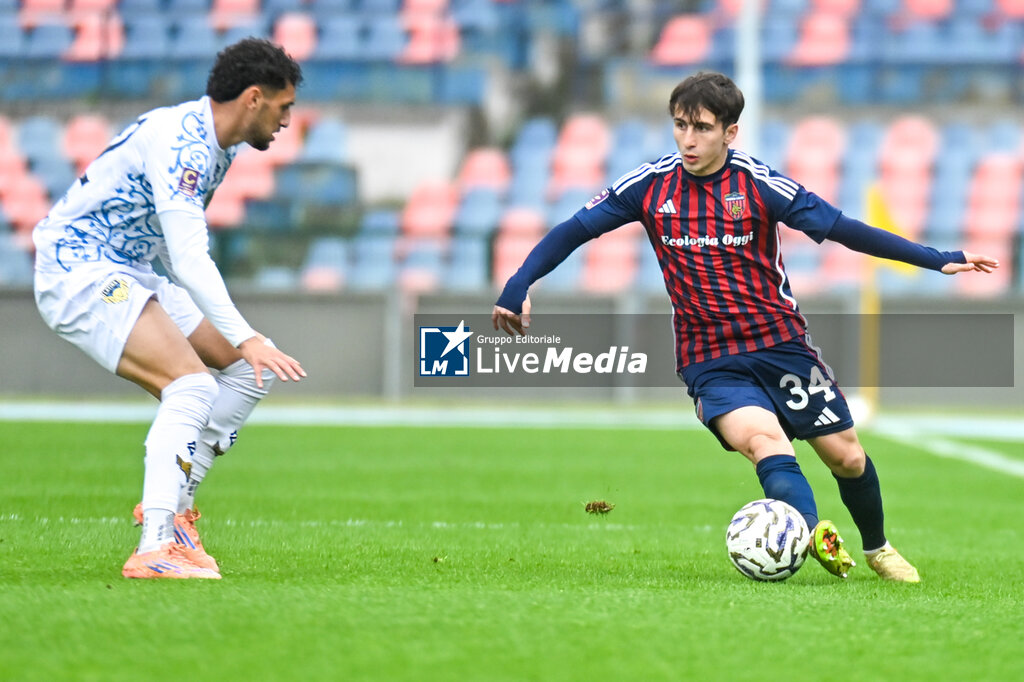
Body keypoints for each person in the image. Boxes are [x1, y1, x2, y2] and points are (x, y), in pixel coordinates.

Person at [492, 72, 999, 582]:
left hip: (781, 344)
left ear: (729, 133)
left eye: (702, 128)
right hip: (709, 356)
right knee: (764, 441)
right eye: (680, 125)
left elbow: (846, 228)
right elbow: (573, 230)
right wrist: (520, 281)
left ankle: (877, 548)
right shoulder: (649, 185)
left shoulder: (760, 185)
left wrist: (937, 259)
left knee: (846, 457)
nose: (688, 140)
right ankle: (801, 531)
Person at [33, 38, 307, 579]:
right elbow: (186, 253)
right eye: (284, 107)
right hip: (80, 271)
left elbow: (162, 240)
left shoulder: (217, 144)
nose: (286, 121)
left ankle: (178, 517)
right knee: (194, 385)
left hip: (128, 268)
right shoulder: (184, 143)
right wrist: (242, 333)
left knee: (250, 370)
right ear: (254, 98)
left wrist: (246, 341)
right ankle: (153, 546)